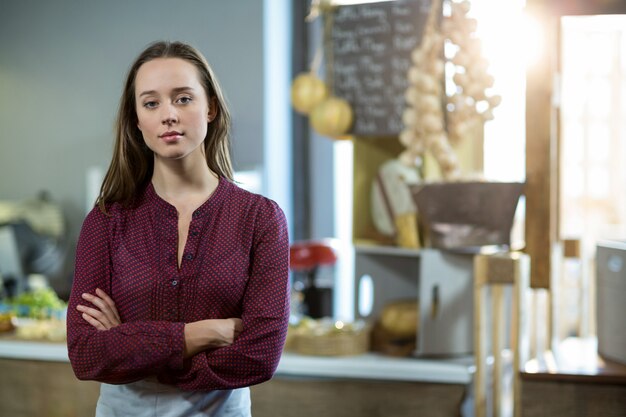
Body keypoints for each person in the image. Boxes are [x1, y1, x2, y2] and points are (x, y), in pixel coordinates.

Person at [66, 40, 290, 417]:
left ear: (210, 108)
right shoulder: (106, 220)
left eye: (183, 99)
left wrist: (133, 346)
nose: (168, 114)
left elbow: (260, 356)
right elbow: (87, 354)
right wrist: (202, 334)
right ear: (137, 120)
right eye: (151, 103)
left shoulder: (260, 218)